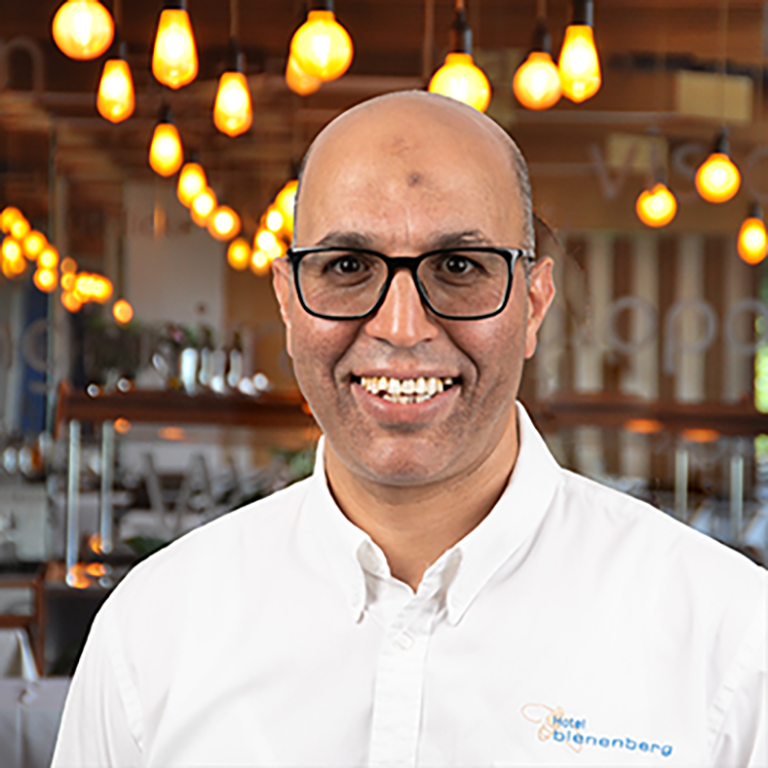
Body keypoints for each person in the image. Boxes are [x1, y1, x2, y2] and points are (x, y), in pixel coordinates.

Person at [52, 91, 766, 767]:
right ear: (289, 302)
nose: (400, 326)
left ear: (534, 303)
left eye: (459, 266)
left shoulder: (730, 641)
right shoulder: (153, 628)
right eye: (347, 266)